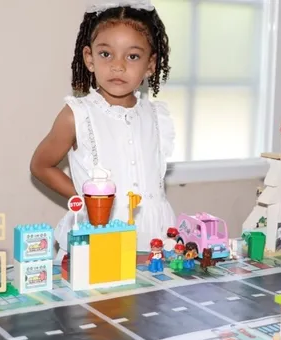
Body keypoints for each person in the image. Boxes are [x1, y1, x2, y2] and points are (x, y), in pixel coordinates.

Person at [30, 0, 177, 256]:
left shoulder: (156, 115)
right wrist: (89, 199)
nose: (118, 66)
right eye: (106, 54)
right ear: (89, 58)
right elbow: (40, 165)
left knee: (153, 295)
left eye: (132, 56)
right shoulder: (77, 114)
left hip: (154, 235)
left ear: (151, 65)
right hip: (99, 232)